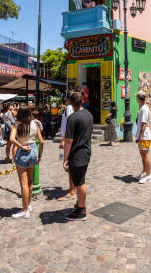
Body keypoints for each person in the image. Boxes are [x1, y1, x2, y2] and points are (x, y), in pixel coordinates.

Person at [9, 106, 44, 219]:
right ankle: (28, 205)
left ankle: (25, 211)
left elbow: (11, 139)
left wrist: (21, 146)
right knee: (30, 182)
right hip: (33, 151)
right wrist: (39, 155)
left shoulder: (17, 125)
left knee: (23, 183)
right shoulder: (35, 124)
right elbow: (41, 141)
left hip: (23, 151)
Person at [63, 92, 93, 221]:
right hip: (86, 151)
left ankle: (81, 210)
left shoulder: (73, 118)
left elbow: (68, 140)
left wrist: (65, 158)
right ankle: (79, 204)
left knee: (80, 182)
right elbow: (90, 135)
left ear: (70, 102)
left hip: (77, 153)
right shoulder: (89, 115)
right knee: (80, 179)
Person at [57, 99, 75, 202]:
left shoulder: (69, 108)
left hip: (68, 140)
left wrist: (63, 140)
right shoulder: (70, 108)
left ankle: (72, 191)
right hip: (70, 138)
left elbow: (69, 124)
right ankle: (73, 188)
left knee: (68, 164)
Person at [134, 91, 151, 184]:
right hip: (142, 136)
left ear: (138, 98)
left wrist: (141, 135)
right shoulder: (142, 108)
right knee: (142, 155)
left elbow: (144, 123)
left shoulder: (144, 109)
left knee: (145, 154)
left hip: (145, 136)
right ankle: (144, 172)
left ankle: (149, 175)